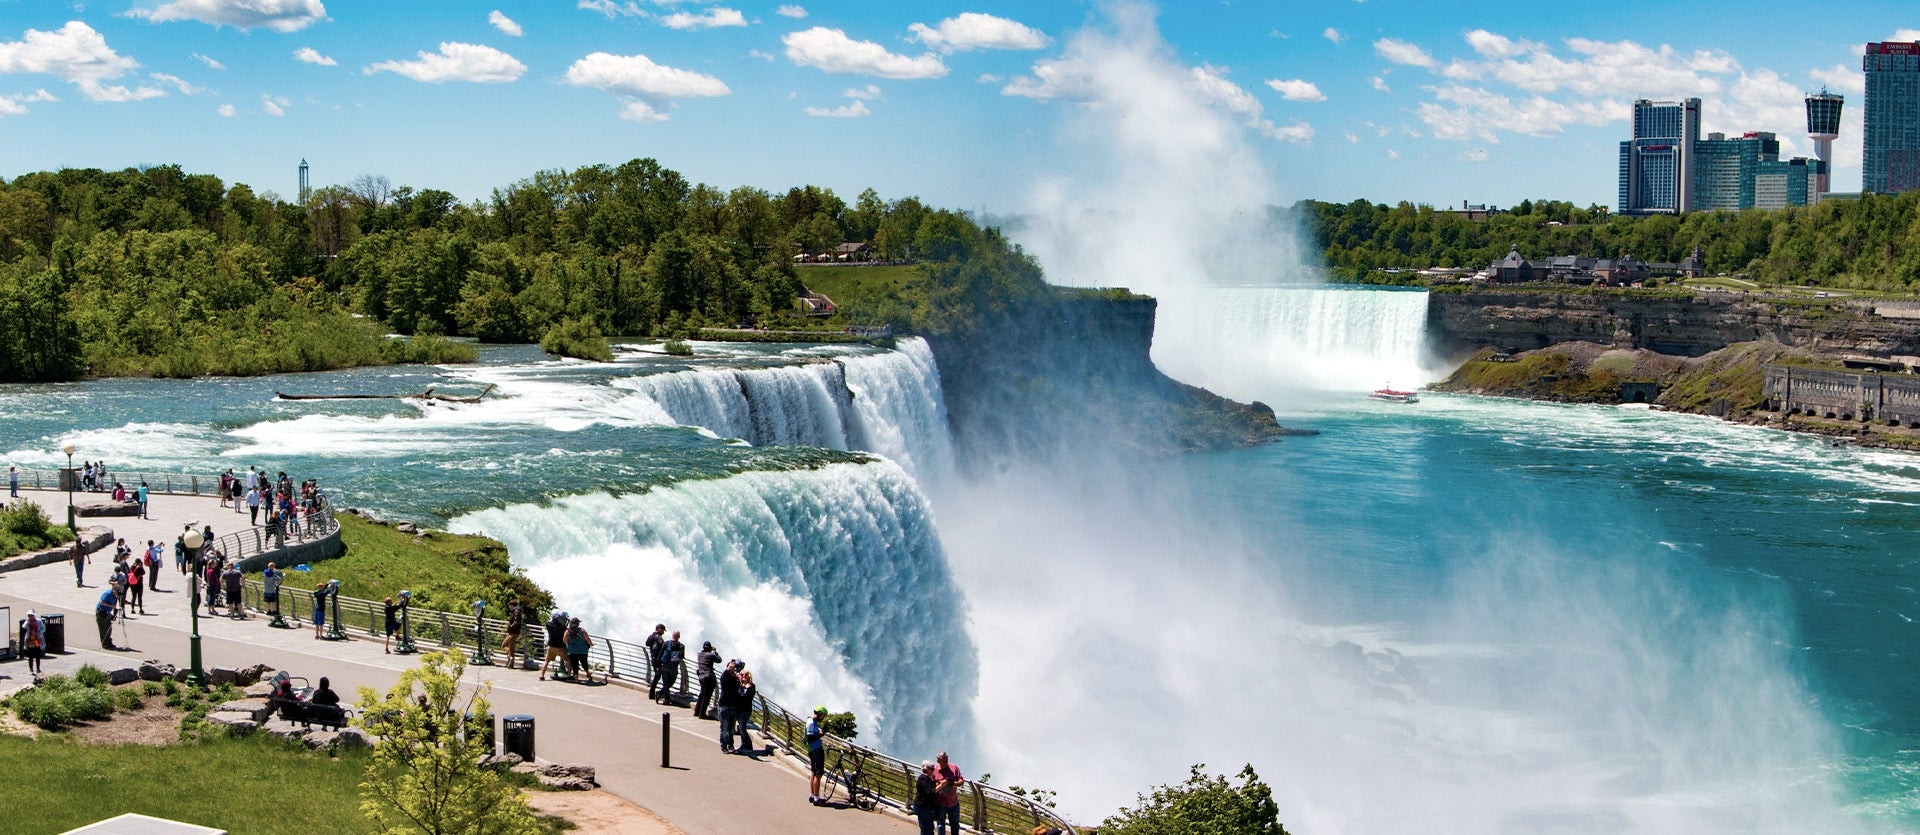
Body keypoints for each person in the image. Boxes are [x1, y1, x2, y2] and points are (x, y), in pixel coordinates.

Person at [933, 751, 964, 835]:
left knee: (954, 824)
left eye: (946, 760)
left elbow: (961, 780)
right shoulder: (935, 770)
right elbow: (931, 785)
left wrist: (954, 784)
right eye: (943, 761)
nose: (946, 762)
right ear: (938, 761)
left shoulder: (954, 768)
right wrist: (940, 784)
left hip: (953, 802)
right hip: (940, 802)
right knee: (940, 824)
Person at [727, 670, 757, 754]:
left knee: (743, 728)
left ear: (749, 676)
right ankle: (744, 744)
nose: (744, 676)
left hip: (745, 710)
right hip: (738, 709)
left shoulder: (751, 686)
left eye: (746, 674)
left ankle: (747, 745)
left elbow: (745, 697)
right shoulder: (739, 685)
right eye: (742, 674)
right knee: (740, 728)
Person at [718, 660, 743, 753]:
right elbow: (723, 677)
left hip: (733, 706)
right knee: (724, 728)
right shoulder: (725, 677)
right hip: (724, 705)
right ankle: (724, 746)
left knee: (731, 728)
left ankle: (731, 745)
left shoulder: (737, 679)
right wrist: (728, 669)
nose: (733, 669)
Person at [656, 630, 685, 704]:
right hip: (674, 667)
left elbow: (660, 654)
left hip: (665, 666)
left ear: (672, 635)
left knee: (665, 683)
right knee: (671, 682)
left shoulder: (666, 644)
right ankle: (666, 698)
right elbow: (681, 656)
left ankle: (663, 695)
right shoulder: (681, 646)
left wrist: (658, 665)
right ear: (679, 637)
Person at [694, 641, 722, 720]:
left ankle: (697, 711)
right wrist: (715, 651)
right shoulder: (711, 655)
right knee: (707, 696)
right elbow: (719, 660)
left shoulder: (699, 655)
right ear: (709, 648)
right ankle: (702, 714)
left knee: (702, 694)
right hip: (709, 677)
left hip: (701, 677)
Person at [806, 706, 829, 805]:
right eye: (823, 716)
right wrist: (822, 733)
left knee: (813, 772)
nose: (823, 718)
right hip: (815, 750)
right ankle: (816, 798)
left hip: (813, 749)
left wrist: (821, 732)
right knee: (818, 774)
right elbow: (811, 737)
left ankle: (812, 795)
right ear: (820, 713)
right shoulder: (811, 722)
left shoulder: (812, 722)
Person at [538, 610, 568, 680]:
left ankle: (542, 675)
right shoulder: (562, 627)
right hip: (561, 646)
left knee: (546, 661)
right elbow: (566, 630)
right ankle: (569, 675)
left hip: (551, 646)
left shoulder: (548, 624)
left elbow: (550, 623)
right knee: (568, 660)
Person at [914, 761, 942, 835]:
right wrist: (942, 785)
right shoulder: (923, 779)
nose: (933, 771)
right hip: (923, 807)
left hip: (926, 807)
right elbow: (930, 792)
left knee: (927, 828)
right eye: (932, 769)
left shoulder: (926, 778)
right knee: (927, 829)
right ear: (927, 770)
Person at [564, 617, 594, 683]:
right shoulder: (582, 630)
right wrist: (592, 644)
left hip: (572, 651)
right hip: (582, 650)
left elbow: (564, 640)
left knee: (575, 665)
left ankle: (576, 679)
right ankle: (588, 673)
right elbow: (587, 639)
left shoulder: (568, 631)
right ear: (578, 624)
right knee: (584, 663)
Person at [645, 623, 669, 698]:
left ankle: (652, 693)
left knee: (657, 676)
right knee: (658, 676)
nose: (663, 633)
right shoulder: (658, 637)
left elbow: (647, 644)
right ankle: (652, 693)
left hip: (653, 659)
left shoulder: (651, 636)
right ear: (659, 629)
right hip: (658, 660)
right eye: (663, 630)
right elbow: (663, 645)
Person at [20, 611, 44, 675]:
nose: (30, 617)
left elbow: (43, 628)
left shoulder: (38, 621)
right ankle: (31, 668)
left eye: (31, 615)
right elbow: (23, 627)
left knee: (37, 654)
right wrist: (27, 622)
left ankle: (38, 668)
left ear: (34, 616)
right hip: (30, 640)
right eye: (29, 616)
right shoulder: (28, 622)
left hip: (37, 639)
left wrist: (39, 632)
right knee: (31, 655)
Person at [501, 599, 524, 663]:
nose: (509, 607)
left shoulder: (516, 611)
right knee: (512, 647)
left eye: (509, 606)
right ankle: (511, 664)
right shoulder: (517, 611)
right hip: (514, 632)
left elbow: (516, 622)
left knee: (504, 644)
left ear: (511, 605)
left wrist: (510, 627)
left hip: (513, 632)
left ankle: (510, 656)